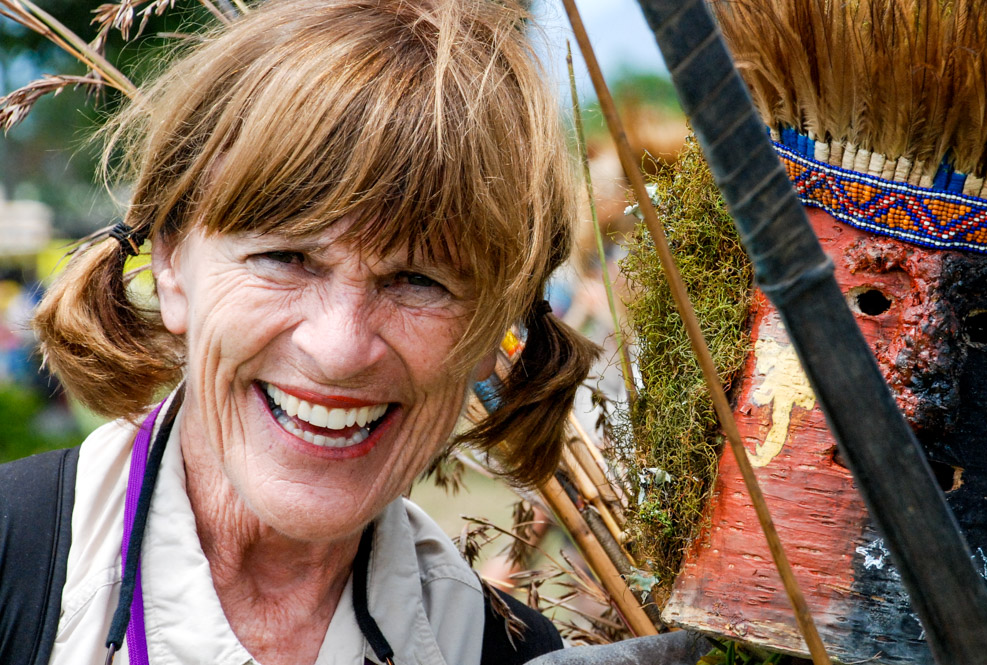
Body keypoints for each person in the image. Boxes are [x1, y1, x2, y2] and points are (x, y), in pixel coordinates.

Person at [8, 0, 599, 662]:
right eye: (286, 258)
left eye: (418, 280)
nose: (340, 349)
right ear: (171, 264)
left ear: (496, 325)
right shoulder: (14, 566)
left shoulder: (501, 650)